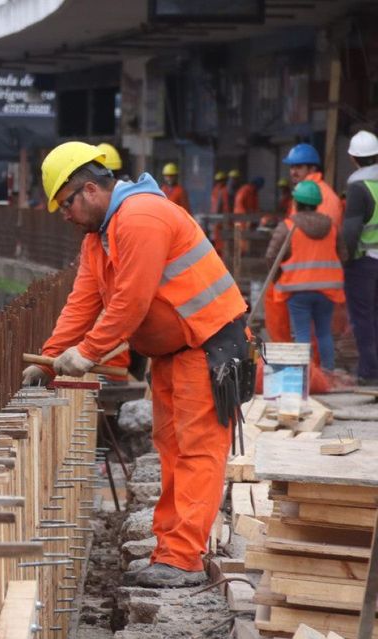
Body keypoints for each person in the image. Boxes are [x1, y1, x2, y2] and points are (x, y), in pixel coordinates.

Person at [21, 142, 250, 588]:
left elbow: (131, 301)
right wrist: (49, 361)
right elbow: (82, 304)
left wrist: (88, 353)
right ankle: (169, 550)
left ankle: (183, 559)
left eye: (65, 203)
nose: (64, 215)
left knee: (197, 451)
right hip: (174, 352)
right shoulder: (99, 238)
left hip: (208, 347)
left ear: (90, 190)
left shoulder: (141, 217)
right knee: (171, 450)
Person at [266, 180, 345, 371]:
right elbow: (344, 255)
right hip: (327, 290)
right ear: (317, 203)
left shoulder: (288, 226)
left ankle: (305, 375)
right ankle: (327, 372)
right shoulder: (332, 226)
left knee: (302, 333)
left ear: (296, 202)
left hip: (297, 290)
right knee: (324, 333)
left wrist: (279, 279)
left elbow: (271, 257)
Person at [342, 130, 378, 384]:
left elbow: (351, 230)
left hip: (364, 262)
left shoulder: (358, 187)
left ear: (353, 158)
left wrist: (346, 259)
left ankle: (369, 372)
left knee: (363, 317)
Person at [210, 171, 230, 257]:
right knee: (219, 240)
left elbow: (225, 206)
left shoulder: (220, 190)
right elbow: (222, 206)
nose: (220, 183)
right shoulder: (221, 191)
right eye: (218, 181)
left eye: (221, 181)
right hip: (219, 220)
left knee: (219, 240)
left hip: (219, 219)